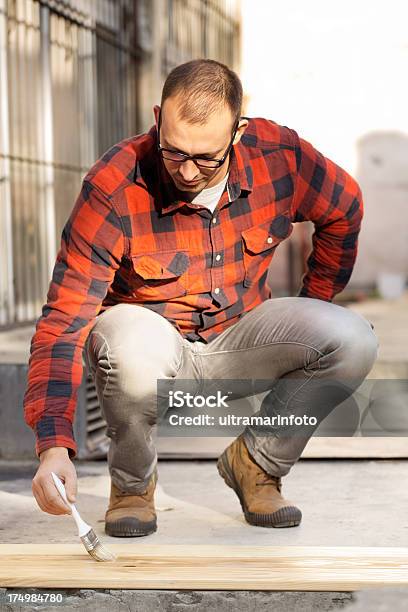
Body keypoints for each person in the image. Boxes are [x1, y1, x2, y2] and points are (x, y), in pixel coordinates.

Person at [24, 59, 378, 536]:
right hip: (150, 361)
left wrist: (314, 301)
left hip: (240, 345)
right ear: (157, 118)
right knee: (125, 336)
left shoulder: (280, 156)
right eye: (174, 153)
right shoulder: (113, 188)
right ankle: (131, 487)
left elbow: (345, 207)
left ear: (238, 131)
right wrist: (53, 448)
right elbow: (64, 321)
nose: (188, 172)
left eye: (207, 157)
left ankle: (256, 464)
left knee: (351, 338)